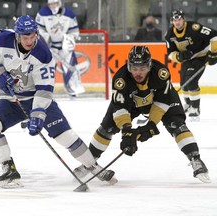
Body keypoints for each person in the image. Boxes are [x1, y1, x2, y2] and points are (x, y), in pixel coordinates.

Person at [0, 15, 116, 188]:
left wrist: (37, 115)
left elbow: (44, 89)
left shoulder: (43, 54)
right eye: (25, 37)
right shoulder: (1, 40)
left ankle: (92, 166)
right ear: (17, 36)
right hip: (11, 100)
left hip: (36, 98)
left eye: (32, 35)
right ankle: (8, 168)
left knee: (65, 136)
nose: (29, 40)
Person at [74, 46, 211, 184]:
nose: (138, 72)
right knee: (106, 128)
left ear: (149, 66)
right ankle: (89, 163)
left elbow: (162, 102)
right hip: (131, 104)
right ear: (129, 66)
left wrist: (150, 125)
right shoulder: (121, 79)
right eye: (134, 68)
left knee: (177, 125)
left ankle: (196, 160)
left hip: (158, 100)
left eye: (142, 68)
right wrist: (127, 131)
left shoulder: (161, 73)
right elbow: (121, 109)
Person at [165, 10, 217, 121]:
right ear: (172, 21)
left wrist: (213, 53)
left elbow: (214, 35)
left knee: (191, 81)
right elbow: (170, 52)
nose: (177, 22)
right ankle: (188, 104)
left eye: (179, 19)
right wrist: (178, 57)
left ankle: (195, 108)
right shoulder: (169, 34)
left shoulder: (194, 28)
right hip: (187, 59)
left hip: (202, 56)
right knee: (183, 83)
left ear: (183, 19)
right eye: (175, 20)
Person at [35, 0, 85, 98]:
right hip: (49, 47)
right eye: (51, 4)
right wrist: (46, 39)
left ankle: (73, 91)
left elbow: (74, 31)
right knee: (47, 69)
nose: (53, 6)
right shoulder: (42, 13)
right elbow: (38, 29)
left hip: (64, 47)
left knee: (70, 66)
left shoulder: (69, 14)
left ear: (59, 3)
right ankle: (45, 91)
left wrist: (68, 40)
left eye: (55, 4)